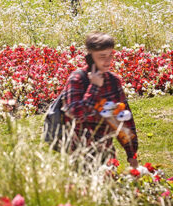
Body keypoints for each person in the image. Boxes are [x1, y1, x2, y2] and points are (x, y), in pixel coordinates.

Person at [60, 32, 139, 167]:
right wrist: (94, 87)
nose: (108, 61)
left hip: (106, 153)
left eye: (110, 55)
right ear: (90, 57)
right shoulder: (77, 79)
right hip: (79, 154)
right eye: (102, 56)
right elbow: (76, 114)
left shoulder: (113, 81)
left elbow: (124, 119)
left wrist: (131, 153)